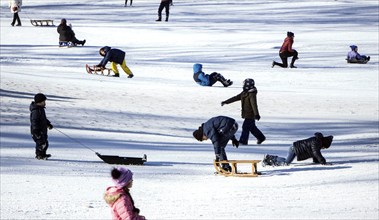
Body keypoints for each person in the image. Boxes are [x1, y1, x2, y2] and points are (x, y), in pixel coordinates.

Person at [221, 78, 266, 145]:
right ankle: (261, 137)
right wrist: (226, 102)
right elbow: (236, 98)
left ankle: (243, 141)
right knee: (252, 127)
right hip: (246, 113)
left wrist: (256, 114)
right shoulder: (244, 93)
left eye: (244, 84)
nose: (243, 86)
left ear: (248, 85)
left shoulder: (251, 94)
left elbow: (254, 104)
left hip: (251, 114)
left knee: (245, 127)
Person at [262, 132, 333, 166]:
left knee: (286, 161)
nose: (323, 148)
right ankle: (269, 158)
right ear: (324, 144)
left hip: (294, 147)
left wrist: (317, 160)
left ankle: (270, 158)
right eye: (325, 147)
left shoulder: (317, 141)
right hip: (294, 149)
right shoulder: (316, 142)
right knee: (286, 163)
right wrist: (323, 162)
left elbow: (314, 153)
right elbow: (316, 152)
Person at [30, 93, 53, 160]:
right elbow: (34, 121)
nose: (45, 103)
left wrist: (48, 124)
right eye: (43, 101)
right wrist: (36, 130)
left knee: (45, 143)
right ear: (39, 102)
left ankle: (43, 154)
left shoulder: (40, 109)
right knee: (41, 143)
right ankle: (39, 155)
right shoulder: (36, 111)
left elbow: (43, 119)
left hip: (43, 130)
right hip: (37, 131)